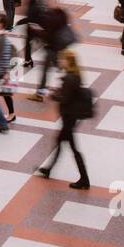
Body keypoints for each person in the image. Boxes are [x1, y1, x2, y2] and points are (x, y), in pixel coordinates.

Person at [37, 49, 92, 189]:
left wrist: (52, 95)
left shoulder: (69, 78)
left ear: (68, 62)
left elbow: (65, 99)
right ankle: (48, 169)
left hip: (68, 117)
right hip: (71, 117)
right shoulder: (76, 75)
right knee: (61, 143)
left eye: (62, 59)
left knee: (72, 148)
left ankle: (84, 179)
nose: (60, 61)